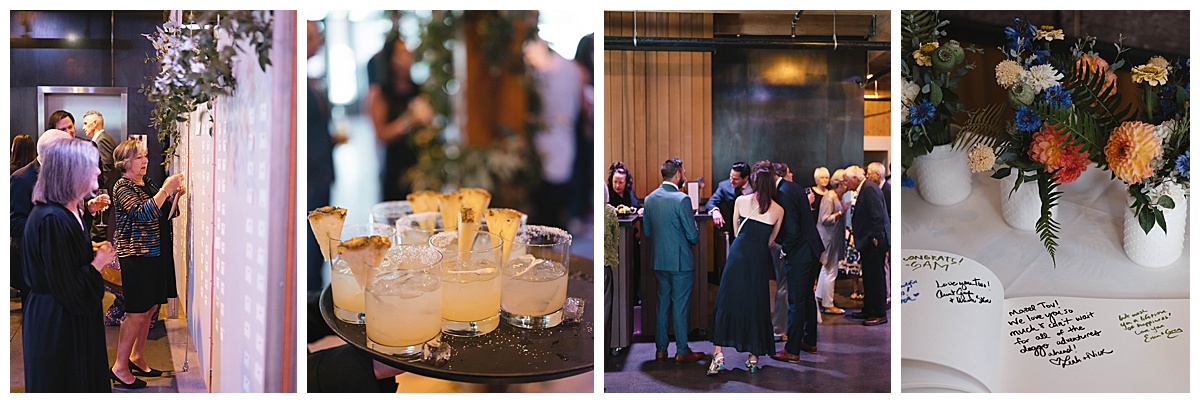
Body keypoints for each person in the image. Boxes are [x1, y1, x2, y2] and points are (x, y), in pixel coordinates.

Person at [21, 137, 116, 392]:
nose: (98, 170)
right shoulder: (52, 218)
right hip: (57, 323)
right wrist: (98, 263)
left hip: (67, 317)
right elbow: (69, 287)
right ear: (71, 172)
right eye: (91, 166)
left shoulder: (68, 210)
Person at [110, 139, 186, 388]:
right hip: (136, 257)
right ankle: (120, 367)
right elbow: (143, 212)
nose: (145, 161)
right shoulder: (122, 187)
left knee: (150, 308)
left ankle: (137, 357)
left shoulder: (145, 182)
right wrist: (165, 190)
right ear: (126, 162)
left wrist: (172, 196)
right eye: (140, 157)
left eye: (145, 156)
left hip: (154, 254)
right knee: (136, 312)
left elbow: (162, 213)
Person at [707, 163, 783, 375]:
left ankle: (718, 354)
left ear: (754, 182)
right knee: (757, 303)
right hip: (758, 258)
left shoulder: (740, 201)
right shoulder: (779, 210)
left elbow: (736, 229)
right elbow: (771, 241)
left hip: (738, 255)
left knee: (726, 299)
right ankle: (753, 358)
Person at [642, 158, 704, 364]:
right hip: (681, 262)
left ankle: (660, 350)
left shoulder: (649, 199)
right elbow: (693, 236)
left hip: (659, 260)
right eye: (683, 171)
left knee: (662, 304)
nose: (685, 175)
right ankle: (682, 350)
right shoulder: (682, 199)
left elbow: (648, 232)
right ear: (677, 174)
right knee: (680, 306)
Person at [11, 130, 79, 307]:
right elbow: (14, 223)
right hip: (37, 261)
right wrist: (50, 227)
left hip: (63, 259)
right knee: (40, 320)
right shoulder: (21, 178)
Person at [367, 30, 433, 202]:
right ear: (390, 59)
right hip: (395, 166)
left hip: (420, 165)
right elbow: (381, 134)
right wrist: (409, 121)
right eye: (401, 54)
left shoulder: (419, 89)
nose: (407, 59)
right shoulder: (380, 93)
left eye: (408, 53)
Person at [770, 159, 824, 363]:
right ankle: (810, 341)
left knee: (795, 301)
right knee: (807, 297)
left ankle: (792, 350)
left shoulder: (783, 192)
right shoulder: (794, 188)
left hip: (800, 253)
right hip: (812, 249)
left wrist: (783, 249)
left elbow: (792, 230)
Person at [525, 36, 582, 228]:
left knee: (551, 196)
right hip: (556, 134)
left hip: (555, 134)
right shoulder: (568, 67)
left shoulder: (555, 68)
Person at [308, 19, 336, 293]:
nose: (319, 42)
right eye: (314, 36)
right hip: (311, 179)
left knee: (320, 245)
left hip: (321, 173)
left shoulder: (310, 81)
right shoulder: (301, 85)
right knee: (312, 246)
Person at [845, 166, 889, 326]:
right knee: (869, 277)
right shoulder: (867, 188)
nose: (845, 183)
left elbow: (877, 215)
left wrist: (876, 237)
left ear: (855, 179)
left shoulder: (869, 189)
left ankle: (879, 313)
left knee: (875, 278)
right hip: (868, 240)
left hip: (873, 241)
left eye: (846, 179)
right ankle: (869, 309)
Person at [816, 169, 850, 315]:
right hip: (828, 238)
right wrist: (841, 212)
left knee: (826, 268)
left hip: (832, 238)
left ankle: (820, 296)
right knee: (831, 271)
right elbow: (824, 219)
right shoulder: (830, 197)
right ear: (841, 183)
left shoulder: (835, 196)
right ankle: (828, 304)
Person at [83, 110, 117, 243]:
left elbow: (105, 171)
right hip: (101, 197)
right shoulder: (102, 140)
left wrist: (100, 194)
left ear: (95, 123)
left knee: (99, 234)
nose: (83, 127)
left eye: (86, 123)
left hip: (102, 197)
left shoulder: (102, 141)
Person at [705, 162, 750, 233]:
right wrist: (715, 211)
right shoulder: (724, 186)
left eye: (735, 179)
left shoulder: (756, 186)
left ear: (746, 178)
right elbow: (711, 202)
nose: (731, 181)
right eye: (730, 177)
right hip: (733, 229)